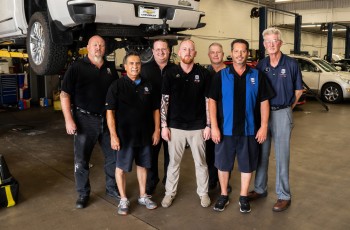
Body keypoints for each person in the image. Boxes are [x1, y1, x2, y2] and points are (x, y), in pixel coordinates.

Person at [209, 39, 274, 213]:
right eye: (236, 51)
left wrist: (264, 126)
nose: (240, 54)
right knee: (223, 165)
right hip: (225, 131)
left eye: (243, 51)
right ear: (231, 53)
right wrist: (214, 127)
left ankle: (243, 196)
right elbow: (212, 102)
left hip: (249, 130)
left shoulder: (257, 75)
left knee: (247, 165)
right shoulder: (221, 76)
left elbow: (264, 102)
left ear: (248, 54)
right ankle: (223, 195)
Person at [60, 35, 119, 209]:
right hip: (84, 120)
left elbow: (116, 93)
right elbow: (64, 94)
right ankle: (83, 193)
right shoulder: (77, 67)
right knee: (81, 160)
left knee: (113, 157)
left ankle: (111, 188)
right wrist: (68, 120)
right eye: (95, 45)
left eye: (101, 45)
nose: (98, 48)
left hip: (107, 120)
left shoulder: (110, 68)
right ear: (88, 47)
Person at [248, 27, 303, 212]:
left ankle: (283, 195)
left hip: (282, 112)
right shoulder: (260, 65)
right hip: (263, 115)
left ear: (280, 43)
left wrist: (287, 109)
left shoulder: (291, 64)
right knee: (261, 153)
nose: (271, 44)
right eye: (268, 42)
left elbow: (298, 90)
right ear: (264, 45)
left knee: (282, 155)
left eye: (274, 41)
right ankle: (260, 188)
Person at [106, 51, 160, 216]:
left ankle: (143, 196)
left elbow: (155, 110)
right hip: (124, 136)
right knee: (121, 168)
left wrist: (157, 130)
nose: (135, 66)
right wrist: (113, 135)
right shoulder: (116, 86)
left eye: (137, 63)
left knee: (143, 165)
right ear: (125, 66)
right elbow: (110, 112)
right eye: (131, 63)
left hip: (145, 134)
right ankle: (123, 199)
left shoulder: (148, 85)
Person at [160, 39, 211, 208]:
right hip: (175, 127)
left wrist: (208, 125)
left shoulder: (203, 74)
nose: (187, 52)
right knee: (173, 163)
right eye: (184, 49)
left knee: (201, 163)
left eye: (191, 49)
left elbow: (208, 101)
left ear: (195, 53)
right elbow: (164, 100)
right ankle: (169, 193)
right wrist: (164, 126)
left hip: (198, 127)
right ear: (179, 52)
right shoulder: (169, 73)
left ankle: (203, 193)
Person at [141, 39, 176, 195]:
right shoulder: (144, 70)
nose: (161, 52)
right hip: (150, 120)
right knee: (152, 153)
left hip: (172, 119)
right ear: (153, 51)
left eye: (164, 49)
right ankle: (152, 180)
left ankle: (169, 181)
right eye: (157, 49)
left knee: (171, 154)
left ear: (169, 51)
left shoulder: (176, 69)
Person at [206, 42, 232, 192]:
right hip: (210, 120)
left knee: (226, 153)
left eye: (218, 52)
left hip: (227, 119)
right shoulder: (205, 73)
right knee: (210, 153)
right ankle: (212, 181)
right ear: (209, 55)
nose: (216, 55)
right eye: (213, 52)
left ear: (223, 54)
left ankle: (225, 183)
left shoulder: (230, 73)